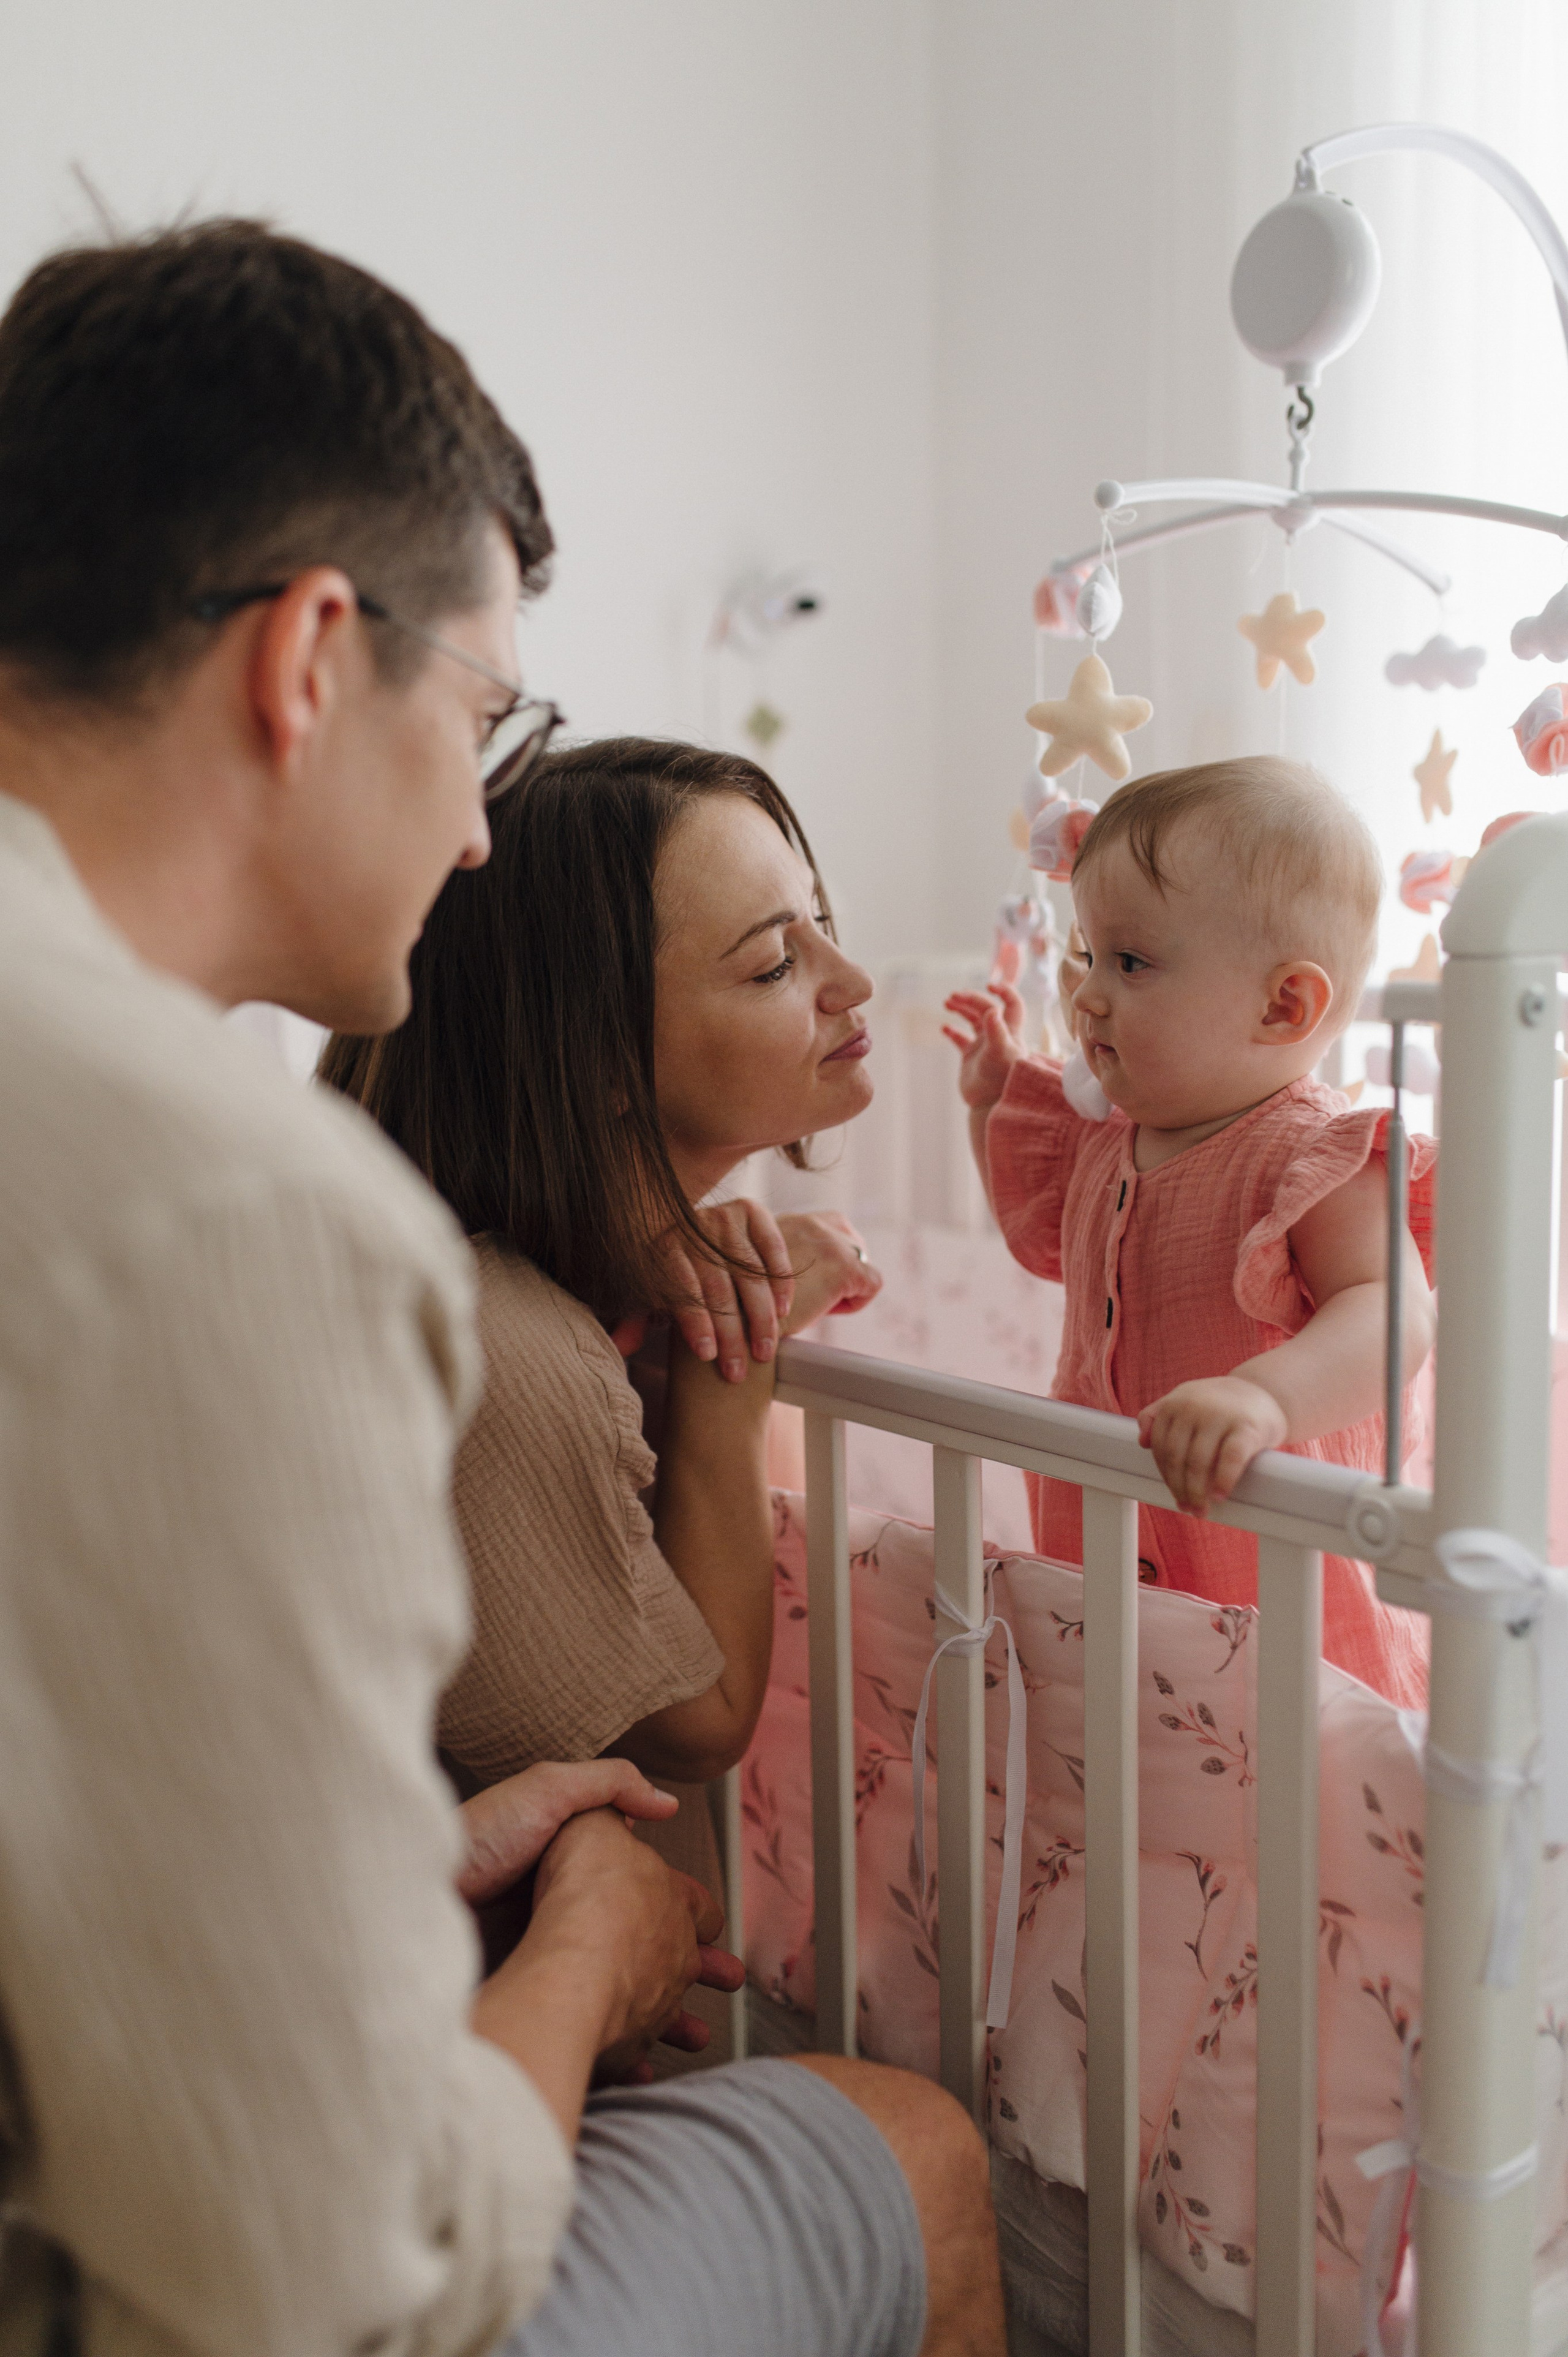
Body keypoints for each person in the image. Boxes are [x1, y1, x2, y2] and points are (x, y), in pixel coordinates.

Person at [0, 221, 1005, 2357]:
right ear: (305, 658)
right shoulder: (236, 1207)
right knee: (912, 2140)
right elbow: (328, 2256)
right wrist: (600, 1952)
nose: (474, 827)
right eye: (486, 709)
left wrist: (416, 1842)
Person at [321, 739, 880, 1854]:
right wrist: (731, 1379)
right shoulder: (500, 1329)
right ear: (603, 1063)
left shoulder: (560, 1276)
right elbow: (693, 1727)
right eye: (775, 965)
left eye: (819, 922)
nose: (852, 982)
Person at [944, 757, 1434, 1706]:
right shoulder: (1102, 1140)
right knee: (1133, 1773)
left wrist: (1266, 1401)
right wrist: (985, 1105)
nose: (1086, 994)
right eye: (1086, 955)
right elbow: (1041, 1240)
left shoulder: (1316, 1156)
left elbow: (1392, 1313)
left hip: (1268, 1567)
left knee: (1298, 1786)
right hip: (1108, 1552)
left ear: (1284, 1005)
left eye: (1129, 962)